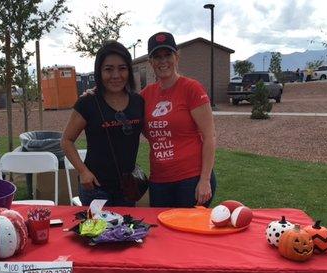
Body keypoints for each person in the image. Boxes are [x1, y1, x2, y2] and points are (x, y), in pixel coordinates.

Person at [61, 41, 144, 206]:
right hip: (96, 188)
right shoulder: (88, 102)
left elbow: (154, 132)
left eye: (122, 68)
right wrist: (83, 172)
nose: (115, 75)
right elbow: (66, 140)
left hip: (128, 187)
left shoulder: (138, 101)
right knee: (97, 231)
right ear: (99, 71)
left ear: (129, 70)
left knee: (125, 231)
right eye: (108, 69)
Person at [140, 32, 216, 208]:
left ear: (177, 57)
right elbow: (125, 110)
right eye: (157, 57)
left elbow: (209, 136)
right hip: (159, 180)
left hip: (191, 178)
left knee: (188, 232)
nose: (163, 61)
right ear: (150, 62)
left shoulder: (192, 89)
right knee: (162, 233)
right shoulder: (145, 95)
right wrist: (97, 93)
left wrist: (205, 180)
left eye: (168, 55)